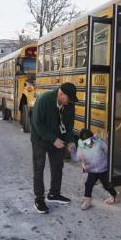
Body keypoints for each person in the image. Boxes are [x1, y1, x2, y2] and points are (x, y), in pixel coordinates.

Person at [31, 82, 78, 214]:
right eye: (69, 98)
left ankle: (54, 194)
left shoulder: (69, 104)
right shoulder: (44, 100)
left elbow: (69, 125)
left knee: (58, 166)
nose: (70, 102)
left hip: (58, 139)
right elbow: (37, 124)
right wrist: (53, 140)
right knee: (39, 168)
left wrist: (70, 141)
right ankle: (39, 199)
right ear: (61, 93)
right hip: (40, 139)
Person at [69, 129, 118, 210]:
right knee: (88, 184)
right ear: (82, 141)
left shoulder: (99, 142)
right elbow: (76, 159)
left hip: (103, 169)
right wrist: (72, 150)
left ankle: (114, 196)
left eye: (90, 141)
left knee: (106, 185)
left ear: (93, 138)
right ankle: (87, 201)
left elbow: (107, 150)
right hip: (92, 170)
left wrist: (106, 140)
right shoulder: (81, 148)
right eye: (86, 142)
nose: (89, 144)